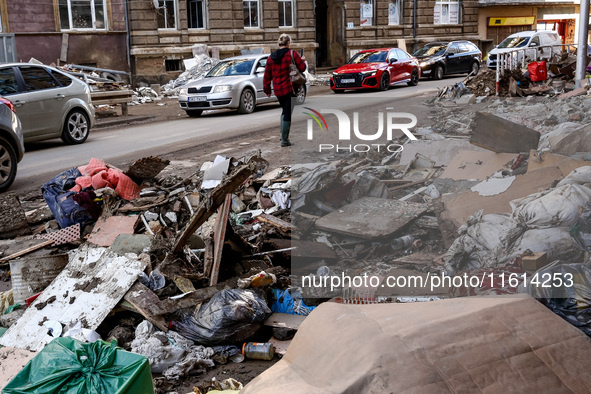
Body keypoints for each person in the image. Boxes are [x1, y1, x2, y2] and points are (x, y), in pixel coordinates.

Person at [263, 33, 306, 147]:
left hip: (277, 89)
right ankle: (284, 140)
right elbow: (302, 68)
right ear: (288, 43)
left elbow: (267, 75)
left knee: (284, 110)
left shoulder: (271, 57)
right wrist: (302, 60)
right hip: (289, 88)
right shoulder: (292, 54)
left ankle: (283, 136)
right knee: (287, 112)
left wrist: (267, 89)